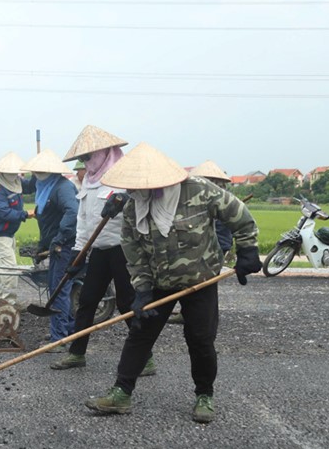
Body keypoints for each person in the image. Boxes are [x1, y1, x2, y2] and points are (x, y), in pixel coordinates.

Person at [84, 143, 261, 423]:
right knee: (139, 333)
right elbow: (133, 250)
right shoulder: (133, 205)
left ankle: (204, 395)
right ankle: (121, 393)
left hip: (200, 280)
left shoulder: (200, 190)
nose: (137, 190)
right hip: (157, 282)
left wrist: (248, 251)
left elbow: (240, 216)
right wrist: (141, 288)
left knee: (200, 339)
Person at [50, 126, 153, 376]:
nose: (86, 162)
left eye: (88, 156)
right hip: (98, 250)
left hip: (123, 250)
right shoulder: (89, 179)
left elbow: (144, 205)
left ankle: (145, 358)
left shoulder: (125, 176)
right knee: (86, 301)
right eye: (83, 158)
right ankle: (77, 353)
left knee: (127, 302)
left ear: (105, 152)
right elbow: (84, 220)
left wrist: (126, 202)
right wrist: (78, 253)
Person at [19, 149, 79, 351]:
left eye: (37, 171)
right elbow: (25, 186)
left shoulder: (62, 188)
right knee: (58, 288)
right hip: (54, 243)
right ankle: (66, 331)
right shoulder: (42, 184)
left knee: (59, 289)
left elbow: (73, 212)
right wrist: (5, 173)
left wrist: (61, 237)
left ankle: (59, 338)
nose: (34, 175)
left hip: (64, 245)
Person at [168, 160, 233, 324]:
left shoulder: (219, 200)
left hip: (214, 250)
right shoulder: (201, 199)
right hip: (202, 249)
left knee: (207, 290)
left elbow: (223, 232)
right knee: (196, 286)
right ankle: (188, 314)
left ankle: (206, 321)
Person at [0, 151, 36, 306]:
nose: (15, 175)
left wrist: (35, 171)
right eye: (12, 172)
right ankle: (8, 303)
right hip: (0, 233)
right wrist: (26, 214)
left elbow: (31, 186)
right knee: (10, 269)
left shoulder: (15, 182)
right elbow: (4, 213)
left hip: (9, 233)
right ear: (2, 172)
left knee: (2, 269)